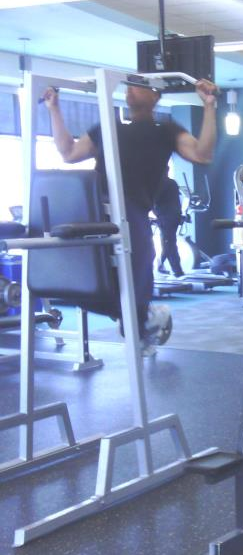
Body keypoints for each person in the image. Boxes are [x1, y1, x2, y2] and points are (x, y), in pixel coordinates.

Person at [43, 77, 217, 353]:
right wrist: (54, 108)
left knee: (139, 269)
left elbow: (202, 154)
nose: (132, 89)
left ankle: (139, 319)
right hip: (97, 209)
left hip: (132, 210)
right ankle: (137, 317)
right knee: (86, 278)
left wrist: (208, 106)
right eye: (129, 85)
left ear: (155, 96)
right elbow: (69, 152)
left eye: (140, 85)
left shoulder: (166, 131)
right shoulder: (107, 129)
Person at [153, 174, 185, 278]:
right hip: (174, 216)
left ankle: (169, 268)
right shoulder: (172, 183)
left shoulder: (158, 184)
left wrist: (156, 214)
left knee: (168, 244)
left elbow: (153, 200)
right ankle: (174, 269)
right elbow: (178, 201)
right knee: (170, 243)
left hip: (166, 217)